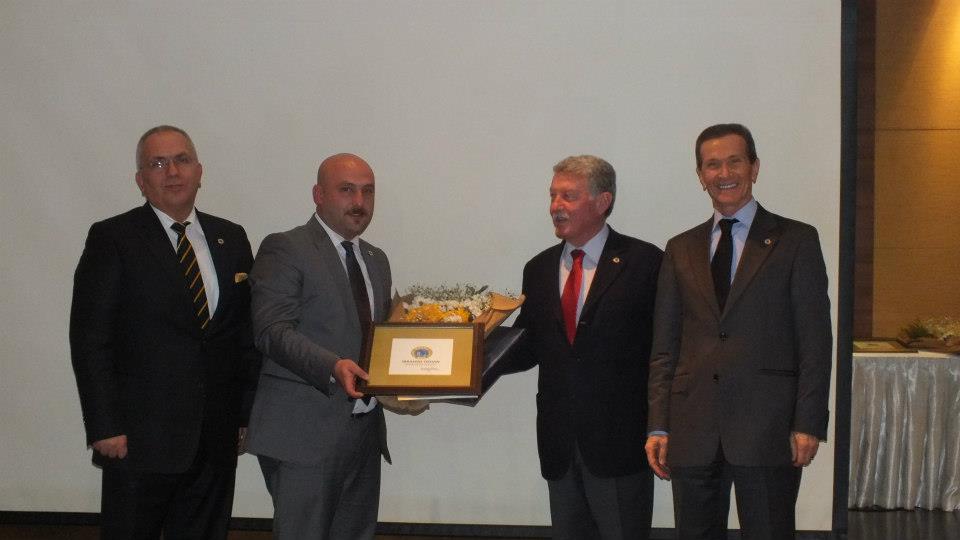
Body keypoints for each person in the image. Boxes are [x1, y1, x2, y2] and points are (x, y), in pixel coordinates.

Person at [70, 125, 260, 539]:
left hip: (215, 440)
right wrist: (104, 425)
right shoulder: (113, 238)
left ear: (199, 171)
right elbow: (90, 340)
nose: (172, 171)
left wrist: (244, 415)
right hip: (139, 441)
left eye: (182, 160)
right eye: (158, 163)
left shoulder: (231, 237)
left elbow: (243, 336)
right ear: (141, 180)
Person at [645, 123, 832, 539]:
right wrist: (659, 425)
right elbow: (665, 346)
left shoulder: (796, 240)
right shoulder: (680, 248)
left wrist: (808, 421)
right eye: (712, 165)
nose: (724, 173)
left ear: (754, 167)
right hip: (693, 427)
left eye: (735, 161)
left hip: (768, 428)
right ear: (700, 175)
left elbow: (815, 342)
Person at [507, 155, 662, 539]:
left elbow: (665, 351)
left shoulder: (645, 262)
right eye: (553, 195)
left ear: (602, 201)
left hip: (620, 446)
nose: (555, 206)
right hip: (559, 445)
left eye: (568, 196)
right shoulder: (538, 269)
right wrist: (468, 353)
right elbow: (528, 346)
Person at [244, 153, 391, 539]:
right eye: (347, 190)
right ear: (318, 194)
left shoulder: (376, 260)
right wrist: (332, 366)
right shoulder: (286, 248)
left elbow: (381, 342)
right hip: (303, 434)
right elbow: (271, 330)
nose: (359, 202)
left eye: (368, 192)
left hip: (364, 433)